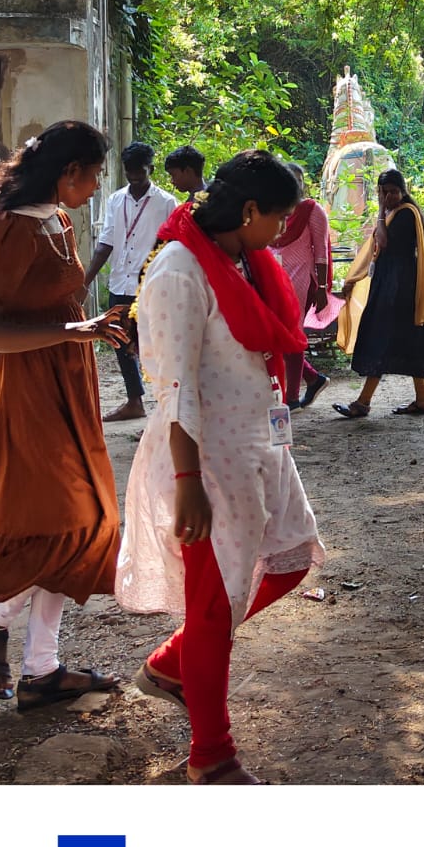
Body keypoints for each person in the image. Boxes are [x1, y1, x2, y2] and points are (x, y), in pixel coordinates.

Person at [118, 152, 325, 784]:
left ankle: (175, 663)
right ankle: (211, 756)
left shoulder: (242, 257)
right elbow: (174, 387)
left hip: (258, 443)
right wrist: (187, 485)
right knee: (212, 609)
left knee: (292, 559)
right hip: (205, 459)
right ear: (248, 211)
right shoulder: (181, 269)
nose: (285, 229)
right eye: (281, 216)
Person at [0, 121, 129, 710]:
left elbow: (59, 305)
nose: (94, 188)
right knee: (68, 520)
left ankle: (41, 668)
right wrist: (73, 329)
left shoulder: (55, 219)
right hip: (21, 389)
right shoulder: (6, 229)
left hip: (64, 381)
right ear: (67, 173)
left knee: (78, 523)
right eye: (91, 176)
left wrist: (93, 331)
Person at [84, 140, 177, 423]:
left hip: (150, 284)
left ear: (150, 168)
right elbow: (106, 242)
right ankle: (134, 400)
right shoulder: (116, 200)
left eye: (140, 171)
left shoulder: (166, 203)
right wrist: (85, 280)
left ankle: (166, 405)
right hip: (120, 283)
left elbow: (172, 244)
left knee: (155, 344)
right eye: (130, 172)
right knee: (119, 341)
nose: (135, 177)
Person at [333, 169, 424, 418]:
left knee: (381, 339)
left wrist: (379, 211)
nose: (388, 197)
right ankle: (422, 399)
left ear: (403, 191)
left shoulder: (406, 215)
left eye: (393, 192)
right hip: (390, 284)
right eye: (384, 192)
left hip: (399, 289)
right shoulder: (395, 213)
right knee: (408, 341)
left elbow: (383, 242)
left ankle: (363, 402)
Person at [270, 163, 333, 410]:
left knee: (292, 334)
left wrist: (322, 288)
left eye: (297, 180)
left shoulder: (312, 210)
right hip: (274, 276)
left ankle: (292, 397)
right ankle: (313, 378)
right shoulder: (273, 209)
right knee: (276, 335)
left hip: (301, 279)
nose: (293, 185)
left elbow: (321, 252)